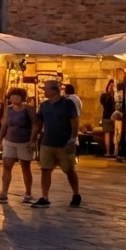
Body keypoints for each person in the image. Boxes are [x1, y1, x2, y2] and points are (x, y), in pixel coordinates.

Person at [32, 79, 81, 208]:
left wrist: (73, 138)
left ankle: (76, 193)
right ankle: (45, 196)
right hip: (47, 142)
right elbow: (39, 123)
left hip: (64, 142)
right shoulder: (44, 105)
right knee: (45, 169)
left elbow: (74, 121)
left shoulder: (67, 104)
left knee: (69, 170)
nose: (44, 91)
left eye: (46, 89)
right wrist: (32, 139)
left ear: (54, 90)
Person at [0, 87, 36, 203]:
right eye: (12, 95)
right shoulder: (8, 110)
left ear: (22, 98)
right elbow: (4, 125)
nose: (15, 98)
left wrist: (32, 141)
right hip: (10, 141)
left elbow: (35, 125)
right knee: (6, 166)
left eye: (18, 95)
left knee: (25, 168)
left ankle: (28, 193)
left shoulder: (28, 110)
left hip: (24, 142)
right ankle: (4, 192)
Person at [100, 79, 117, 158]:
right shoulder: (111, 96)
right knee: (112, 134)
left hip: (108, 116)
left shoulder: (104, 95)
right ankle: (111, 151)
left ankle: (109, 152)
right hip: (111, 116)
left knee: (109, 134)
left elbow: (103, 102)